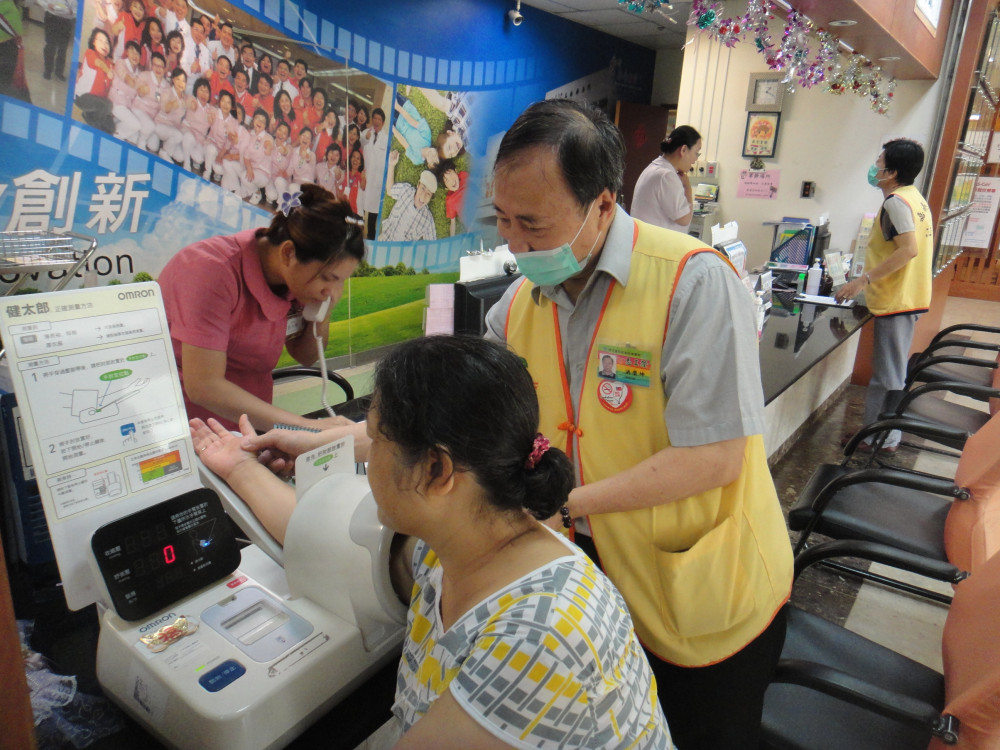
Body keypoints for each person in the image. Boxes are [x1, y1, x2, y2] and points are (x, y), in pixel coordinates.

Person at [483, 100, 793, 750]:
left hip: (699, 592)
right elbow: (473, 405)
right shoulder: (518, 305)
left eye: (532, 224)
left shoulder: (693, 284)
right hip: (593, 588)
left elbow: (713, 459)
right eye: (502, 220)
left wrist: (561, 503)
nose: (514, 244)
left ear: (601, 205)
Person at [191, 335, 675, 749]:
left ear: (438, 470)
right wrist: (238, 466)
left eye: (376, 442)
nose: (368, 458)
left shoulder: (539, 638)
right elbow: (315, 528)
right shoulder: (459, 545)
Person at [159, 184, 364, 432]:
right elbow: (204, 386)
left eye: (342, 280)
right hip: (192, 428)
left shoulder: (294, 280)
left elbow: (307, 356)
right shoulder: (211, 270)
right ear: (288, 253)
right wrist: (305, 427)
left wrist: (323, 312)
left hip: (252, 424)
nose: (334, 291)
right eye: (328, 278)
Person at [834, 139, 934, 452]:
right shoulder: (913, 197)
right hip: (906, 297)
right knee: (887, 373)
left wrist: (862, 280)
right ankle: (874, 432)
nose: (874, 167)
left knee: (889, 376)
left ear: (891, 172)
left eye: (878, 162)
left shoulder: (896, 203)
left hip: (897, 300)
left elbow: (908, 250)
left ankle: (884, 438)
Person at [630, 125, 702, 233]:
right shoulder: (666, 176)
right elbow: (684, 219)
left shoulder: (655, 168)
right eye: (697, 152)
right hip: (654, 246)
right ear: (683, 150)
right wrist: (688, 188)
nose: (696, 159)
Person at [379, 151, 436, 242]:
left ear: (431, 197)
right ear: (418, 185)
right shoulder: (406, 190)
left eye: (428, 194)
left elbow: (432, 248)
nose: (423, 195)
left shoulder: (427, 220)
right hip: (385, 239)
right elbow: (390, 190)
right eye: (423, 188)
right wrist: (391, 165)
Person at [74, 28, 115, 134]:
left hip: (97, 102)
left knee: (111, 128)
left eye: (107, 42)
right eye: (100, 41)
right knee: (107, 106)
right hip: (82, 97)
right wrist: (106, 70)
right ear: (93, 42)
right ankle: (92, 129)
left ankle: (89, 116)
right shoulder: (90, 53)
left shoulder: (110, 64)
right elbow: (98, 63)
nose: (104, 45)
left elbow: (106, 89)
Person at [361, 107, 388, 239]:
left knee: (373, 217)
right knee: (361, 211)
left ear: (383, 122)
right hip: (366, 180)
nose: (376, 121)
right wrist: (365, 138)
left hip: (377, 183)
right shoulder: (366, 133)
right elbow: (360, 145)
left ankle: (371, 239)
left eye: (379, 119)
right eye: (375, 118)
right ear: (372, 120)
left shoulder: (386, 139)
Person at [37, 0, 75, 82]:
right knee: (50, 45)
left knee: (63, 48)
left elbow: (77, 9)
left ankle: (59, 72)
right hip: (51, 17)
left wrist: (72, 11)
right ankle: (48, 70)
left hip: (66, 20)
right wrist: (47, 5)